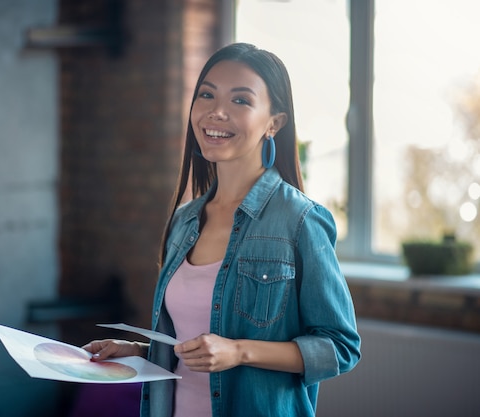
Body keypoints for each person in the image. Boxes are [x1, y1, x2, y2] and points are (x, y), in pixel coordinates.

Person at [83, 42, 361, 417]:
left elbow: (339, 348)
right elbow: (195, 346)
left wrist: (240, 351)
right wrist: (138, 351)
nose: (216, 112)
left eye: (240, 101)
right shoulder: (184, 220)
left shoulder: (300, 220)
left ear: (273, 123)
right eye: (207, 95)